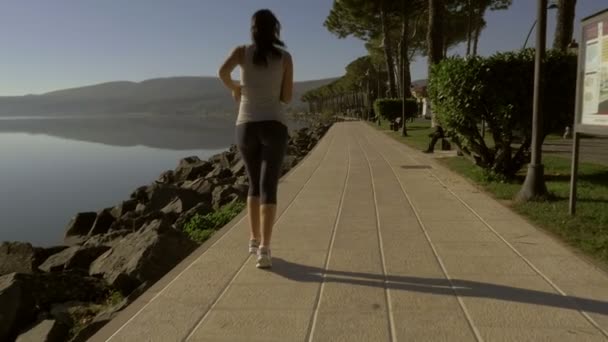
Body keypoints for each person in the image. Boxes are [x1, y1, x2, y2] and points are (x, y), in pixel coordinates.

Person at [218, 9, 293, 269]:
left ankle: (253, 239)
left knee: (253, 185)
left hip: (246, 125)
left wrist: (236, 89)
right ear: (275, 30)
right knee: (269, 186)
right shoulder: (284, 58)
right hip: (274, 124)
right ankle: (265, 249)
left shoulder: (240, 52)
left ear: (253, 29)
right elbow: (286, 98)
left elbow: (222, 73)